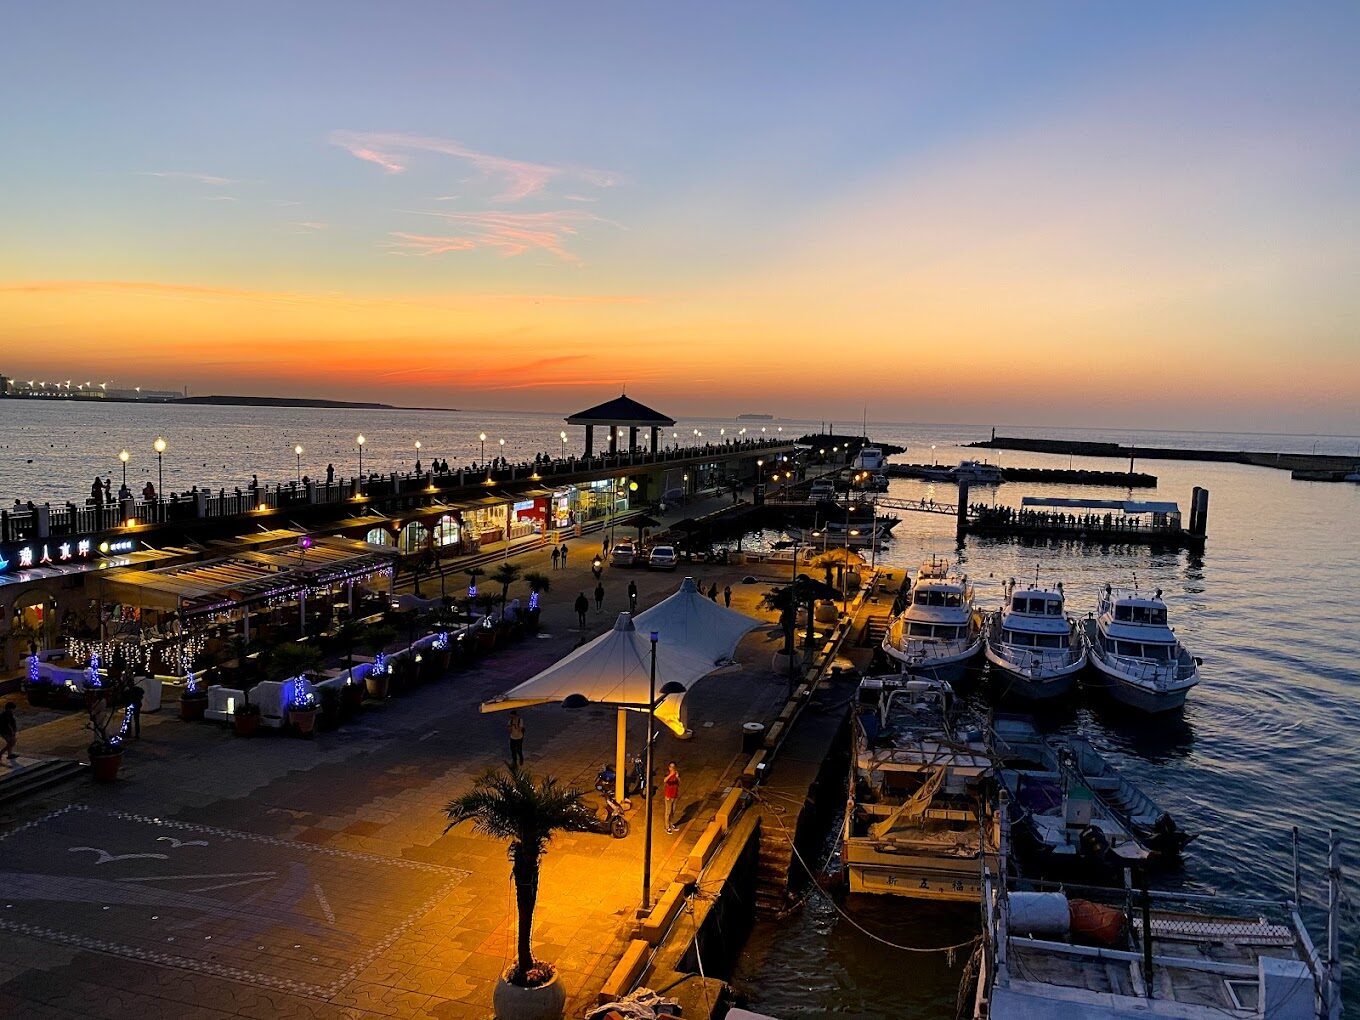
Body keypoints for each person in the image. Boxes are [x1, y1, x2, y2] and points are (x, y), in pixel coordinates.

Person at [663, 761, 680, 832]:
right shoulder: (667, 774)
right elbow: (665, 780)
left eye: (673, 767)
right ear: (669, 768)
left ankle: (671, 823)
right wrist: (670, 775)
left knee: (673, 811)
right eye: (671, 767)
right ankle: (667, 827)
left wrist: (677, 777)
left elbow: (679, 782)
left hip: (674, 795)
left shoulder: (677, 774)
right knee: (668, 812)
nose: (672, 768)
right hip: (668, 796)